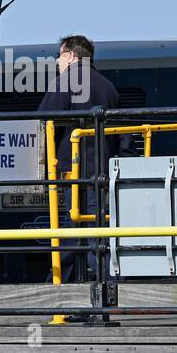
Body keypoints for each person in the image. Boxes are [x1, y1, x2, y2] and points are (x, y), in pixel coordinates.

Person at [38, 36, 129, 287]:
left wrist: (45, 166)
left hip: (74, 173)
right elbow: (124, 134)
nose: (57, 61)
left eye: (59, 55)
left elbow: (43, 123)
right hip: (105, 171)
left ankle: (68, 287)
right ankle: (96, 286)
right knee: (94, 229)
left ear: (70, 55)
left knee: (77, 230)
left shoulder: (65, 82)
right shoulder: (109, 86)